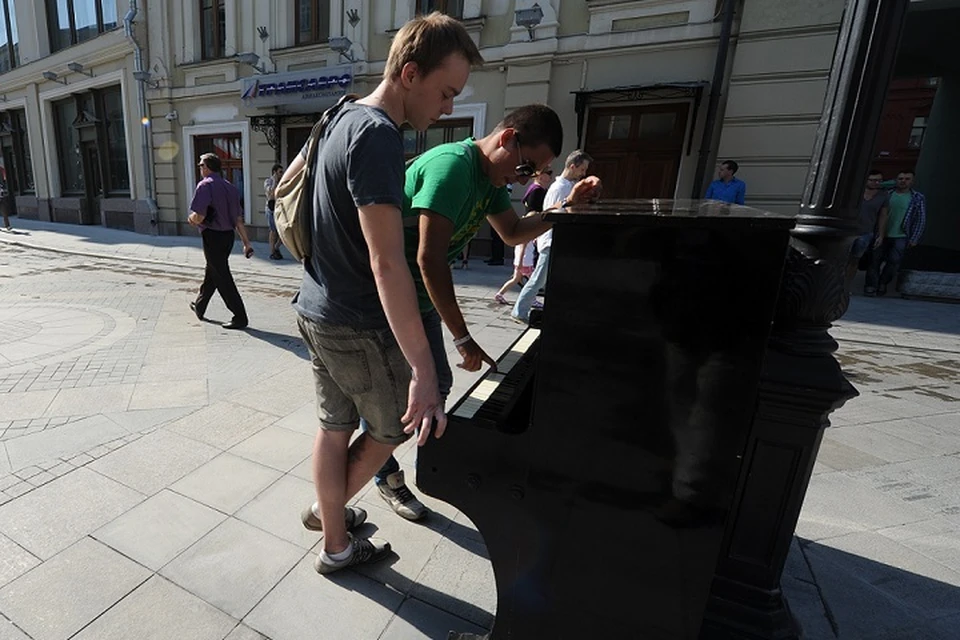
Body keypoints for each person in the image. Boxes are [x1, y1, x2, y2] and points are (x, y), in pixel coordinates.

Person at [288, 12, 483, 575]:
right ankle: (333, 538)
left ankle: (332, 529)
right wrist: (422, 368)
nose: (447, 108)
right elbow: (387, 261)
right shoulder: (376, 135)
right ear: (410, 73)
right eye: (446, 92)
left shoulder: (339, 115)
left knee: (333, 426)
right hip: (356, 320)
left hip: (318, 307)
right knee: (395, 424)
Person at [371, 106, 602, 519]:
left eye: (534, 173)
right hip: (383, 299)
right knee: (400, 399)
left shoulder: (491, 179)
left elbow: (513, 231)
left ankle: (379, 455)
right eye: (527, 165)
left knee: (432, 386)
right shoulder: (453, 168)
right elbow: (430, 260)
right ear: (507, 138)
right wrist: (463, 337)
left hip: (416, 298)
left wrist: (565, 207)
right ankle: (380, 471)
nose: (525, 178)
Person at [512, 150, 593, 324]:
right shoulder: (561, 188)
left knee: (547, 278)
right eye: (582, 169)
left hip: (555, 239)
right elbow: (554, 214)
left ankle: (543, 310)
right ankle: (520, 310)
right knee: (539, 278)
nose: (583, 173)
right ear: (573, 166)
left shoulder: (565, 186)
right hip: (551, 240)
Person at [187, 152, 253, 330]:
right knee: (213, 271)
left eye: (201, 165)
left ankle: (240, 316)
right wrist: (246, 243)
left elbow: (199, 216)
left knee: (222, 276)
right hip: (227, 237)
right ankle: (200, 307)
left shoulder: (205, 185)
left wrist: (191, 219)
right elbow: (238, 219)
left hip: (213, 236)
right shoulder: (230, 187)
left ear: (207, 167)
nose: (199, 168)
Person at [494, 168, 552, 304]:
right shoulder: (537, 192)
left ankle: (500, 294)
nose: (550, 176)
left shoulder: (533, 191)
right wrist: (520, 262)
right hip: (525, 260)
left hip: (523, 259)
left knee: (517, 279)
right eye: (548, 173)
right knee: (533, 281)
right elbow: (524, 243)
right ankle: (529, 299)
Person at [865, 170, 926, 296]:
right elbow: (878, 185)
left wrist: (915, 238)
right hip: (881, 233)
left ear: (912, 181)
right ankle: (871, 286)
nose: (903, 181)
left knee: (894, 262)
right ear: (895, 180)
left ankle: (883, 283)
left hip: (901, 235)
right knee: (874, 260)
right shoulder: (886, 194)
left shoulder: (917, 198)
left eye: (907, 179)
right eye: (900, 178)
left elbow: (920, 219)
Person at [845, 170, 888, 292]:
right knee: (843, 258)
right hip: (849, 230)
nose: (876, 183)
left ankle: (846, 286)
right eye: (873, 180)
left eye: (879, 180)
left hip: (866, 232)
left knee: (855, 259)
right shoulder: (856, 193)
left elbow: (883, 215)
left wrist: (881, 234)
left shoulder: (883, 195)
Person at [263, 163, 284, 260]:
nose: (281, 174)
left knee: (283, 231)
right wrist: (275, 181)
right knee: (273, 231)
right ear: (274, 172)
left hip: (281, 209)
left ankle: (276, 247)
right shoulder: (268, 181)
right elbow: (270, 195)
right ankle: (272, 251)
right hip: (271, 209)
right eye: (280, 172)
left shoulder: (283, 182)